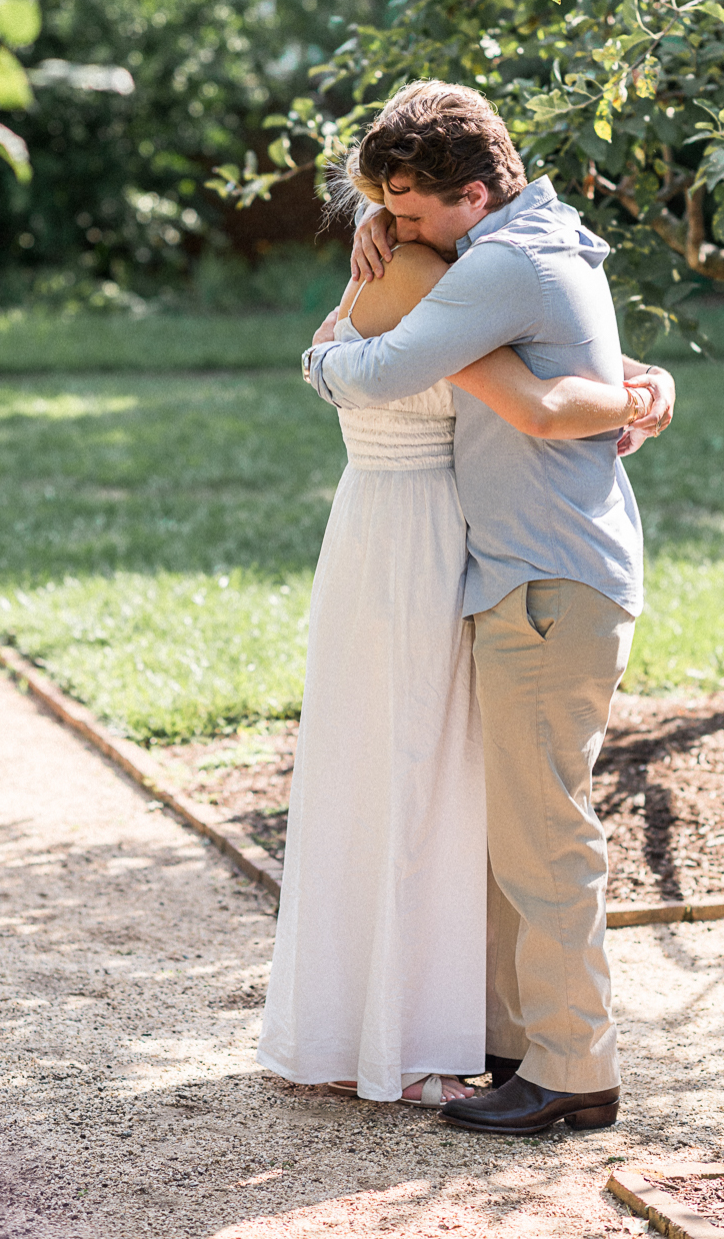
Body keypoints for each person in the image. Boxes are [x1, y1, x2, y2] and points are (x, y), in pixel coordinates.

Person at [256, 82, 672, 1114]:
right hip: (539, 571)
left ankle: (574, 1074)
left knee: (545, 839)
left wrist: (332, 348)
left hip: (546, 580)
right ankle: (515, 1043)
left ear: (473, 195)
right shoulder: (552, 234)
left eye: (405, 209)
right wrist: (633, 386)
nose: (391, 227)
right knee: (511, 832)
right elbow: (543, 388)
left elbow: (384, 371)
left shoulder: (498, 266)